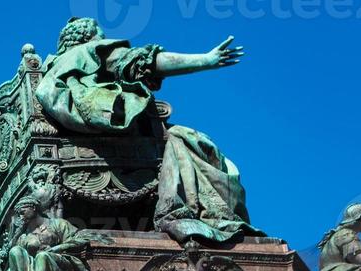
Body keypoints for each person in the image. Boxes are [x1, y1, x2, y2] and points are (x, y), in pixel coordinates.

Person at [36, 17, 260, 244]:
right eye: (99, 31)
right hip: (130, 144)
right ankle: (210, 218)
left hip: (70, 145)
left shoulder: (52, 70)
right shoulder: (92, 52)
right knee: (196, 144)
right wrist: (205, 60)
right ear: (88, 36)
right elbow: (146, 63)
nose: (103, 36)